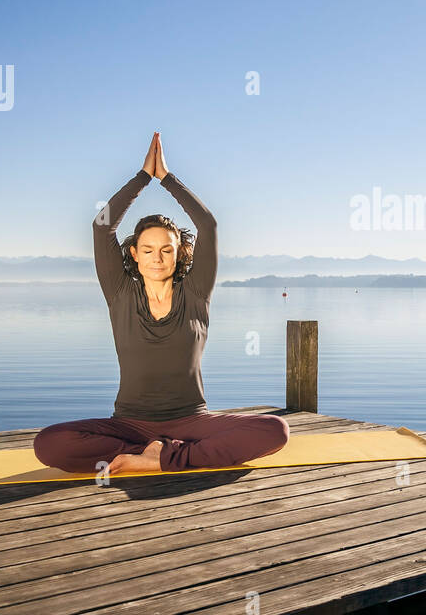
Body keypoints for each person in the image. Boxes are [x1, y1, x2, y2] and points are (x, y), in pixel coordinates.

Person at [32, 132, 289, 475]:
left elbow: (207, 225)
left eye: (167, 249)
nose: (157, 258)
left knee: (274, 430)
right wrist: (142, 178)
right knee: (49, 442)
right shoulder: (120, 292)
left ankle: (163, 456)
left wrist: (166, 178)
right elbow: (102, 227)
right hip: (130, 426)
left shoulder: (195, 292)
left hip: (193, 421)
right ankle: (161, 453)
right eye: (148, 250)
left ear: (179, 253)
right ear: (135, 255)